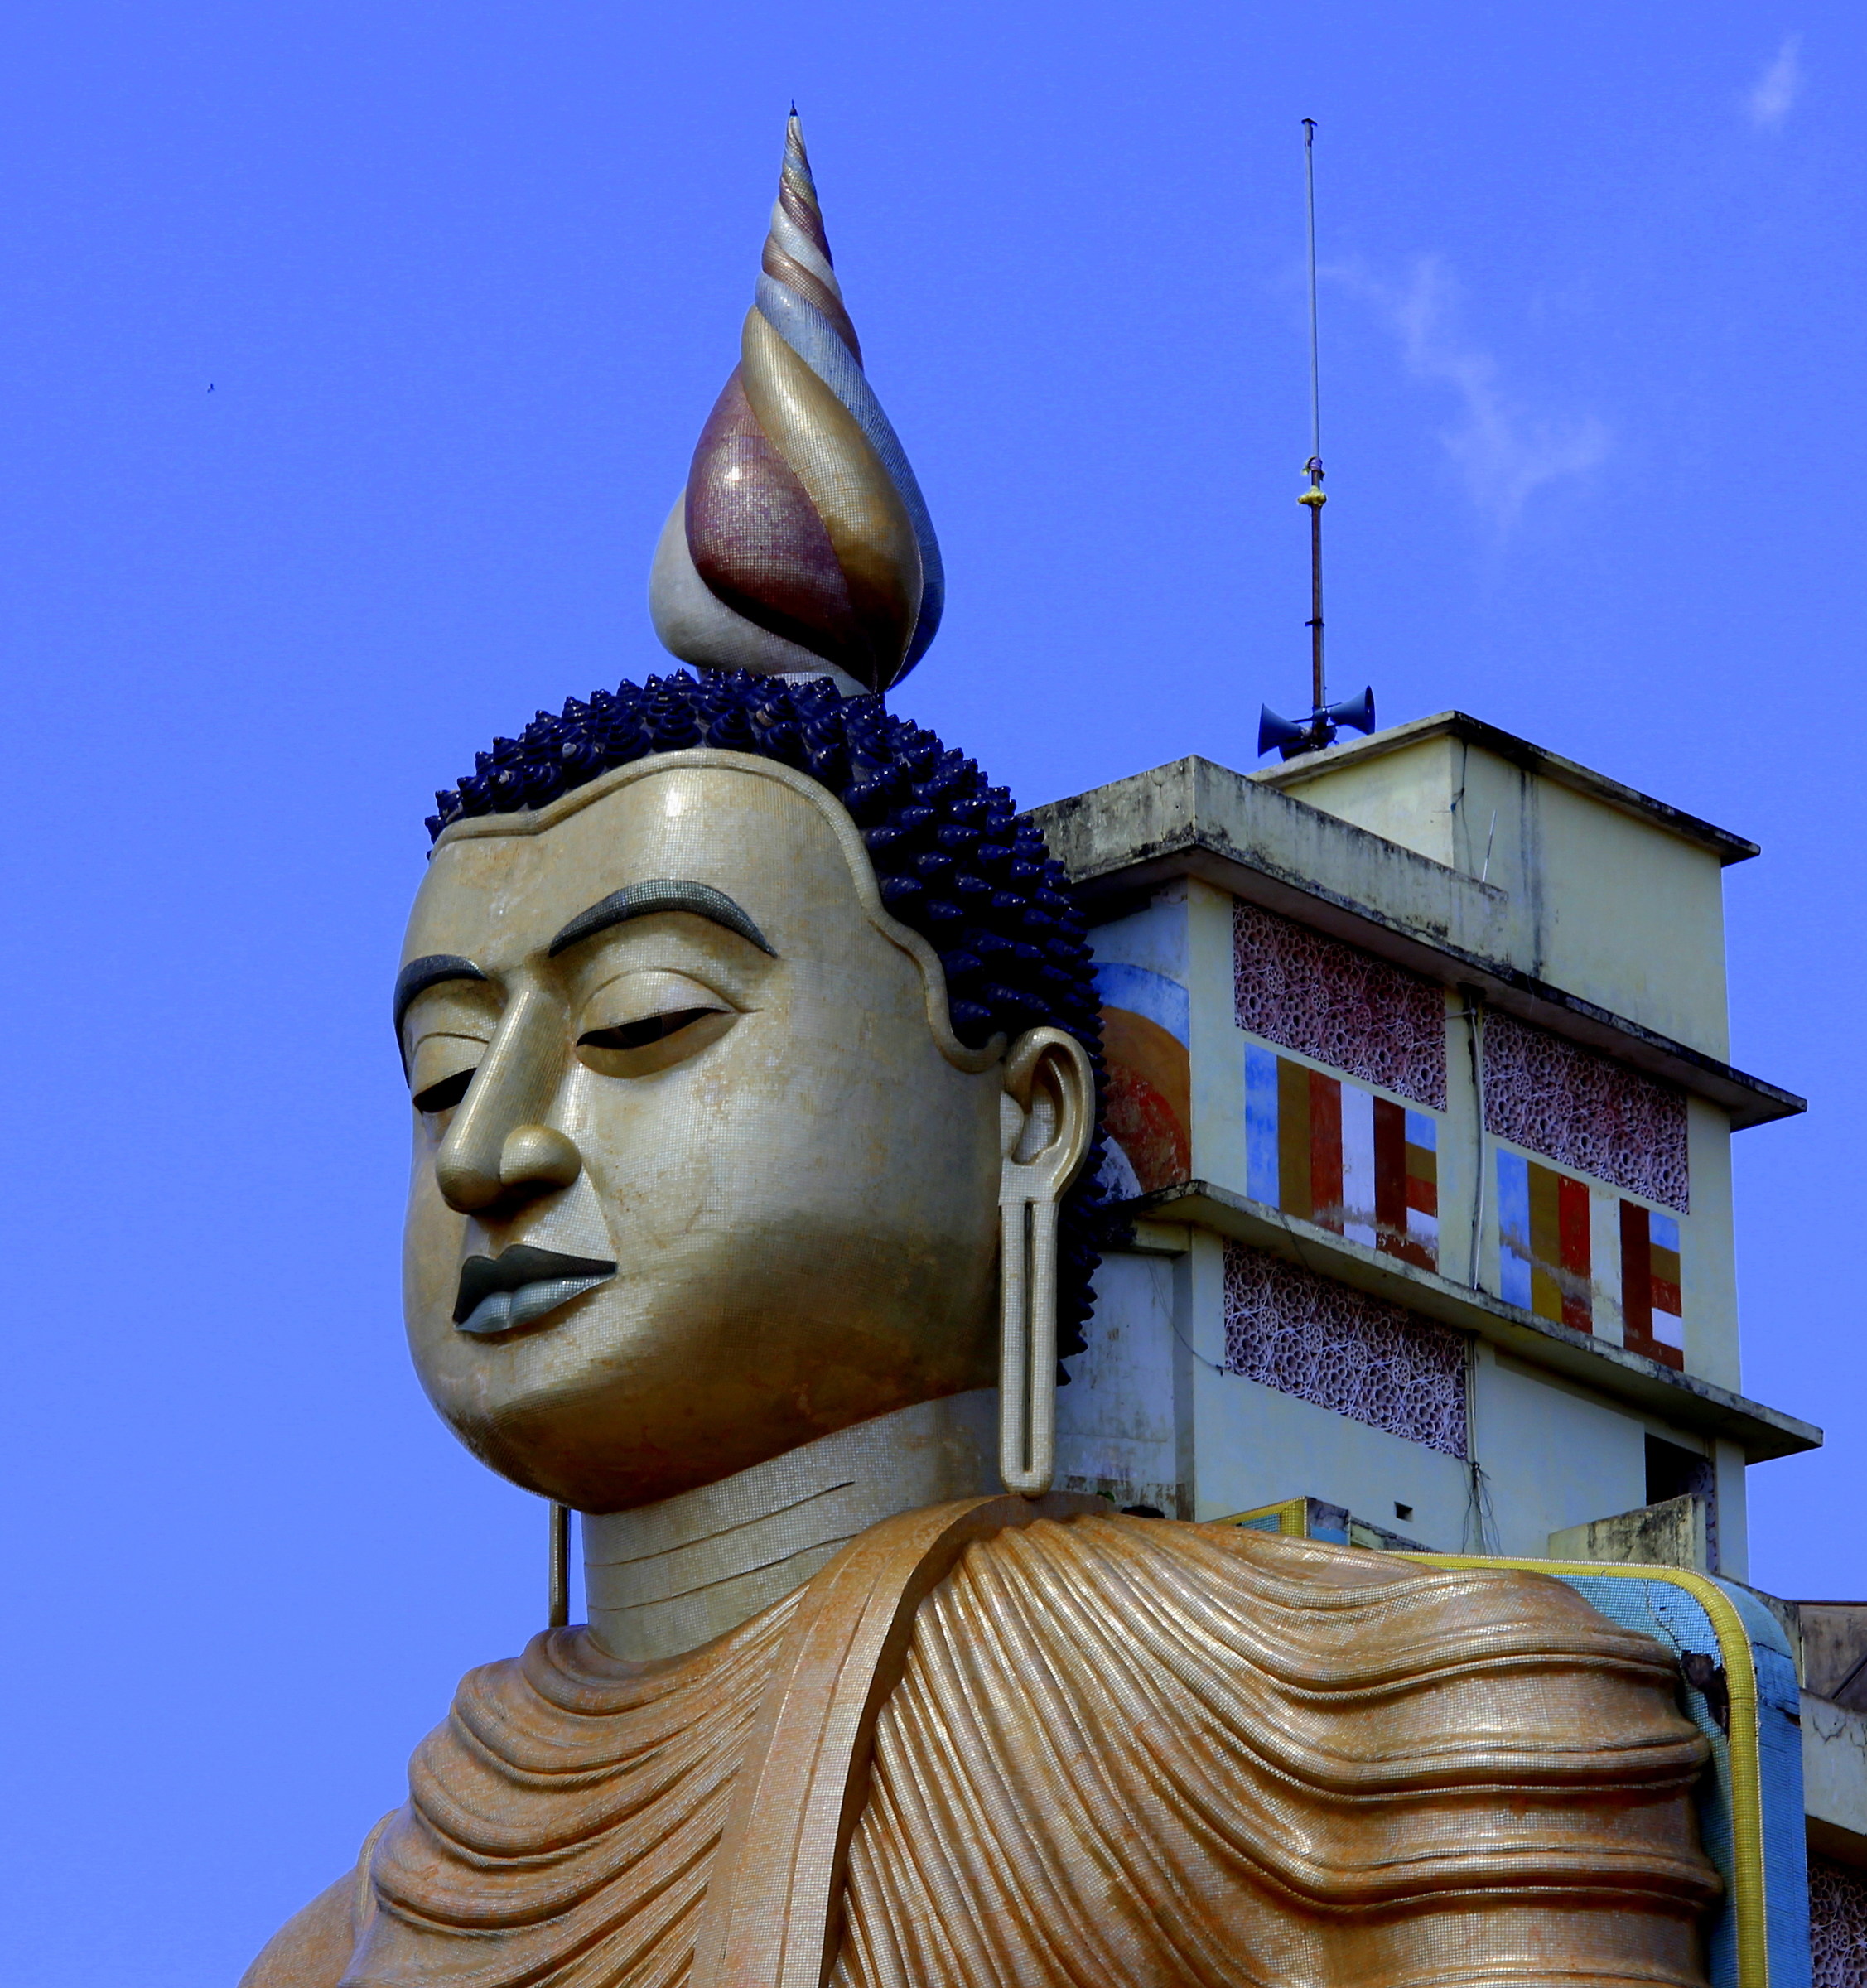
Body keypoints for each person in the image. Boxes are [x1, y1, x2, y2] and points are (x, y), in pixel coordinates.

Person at [243, 117, 1718, 1988]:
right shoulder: (337, 1946)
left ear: (1027, 1116)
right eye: (446, 1071)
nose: (489, 1151)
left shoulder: (1403, 1723)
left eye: (640, 1023)